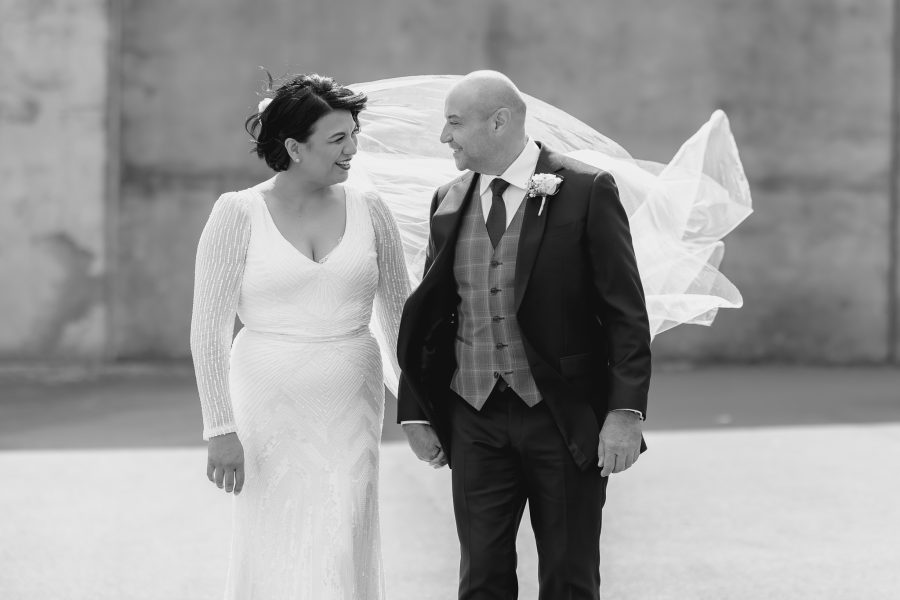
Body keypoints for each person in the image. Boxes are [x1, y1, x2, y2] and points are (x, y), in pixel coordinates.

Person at [395, 70, 652, 599]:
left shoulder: (585, 190)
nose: (445, 137)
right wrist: (416, 410)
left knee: (568, 576)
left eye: (454, 122)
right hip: (473, 416)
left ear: (499, 121)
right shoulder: (447, 199)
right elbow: (431, 319)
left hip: (560, 415)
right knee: (482, 578)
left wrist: (625, 413)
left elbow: (625, 312)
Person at [190, 73, 410, 599]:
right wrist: (219, 427)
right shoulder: (236, 213)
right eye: (338, 139)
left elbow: (401, 316)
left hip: (352, 399)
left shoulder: (370, 208)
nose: (353, 149)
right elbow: (208, 329)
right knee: (276, 535)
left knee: (346, 528)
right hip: (267, 402)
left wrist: (419, 409)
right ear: (293, 146)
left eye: (353, 134)